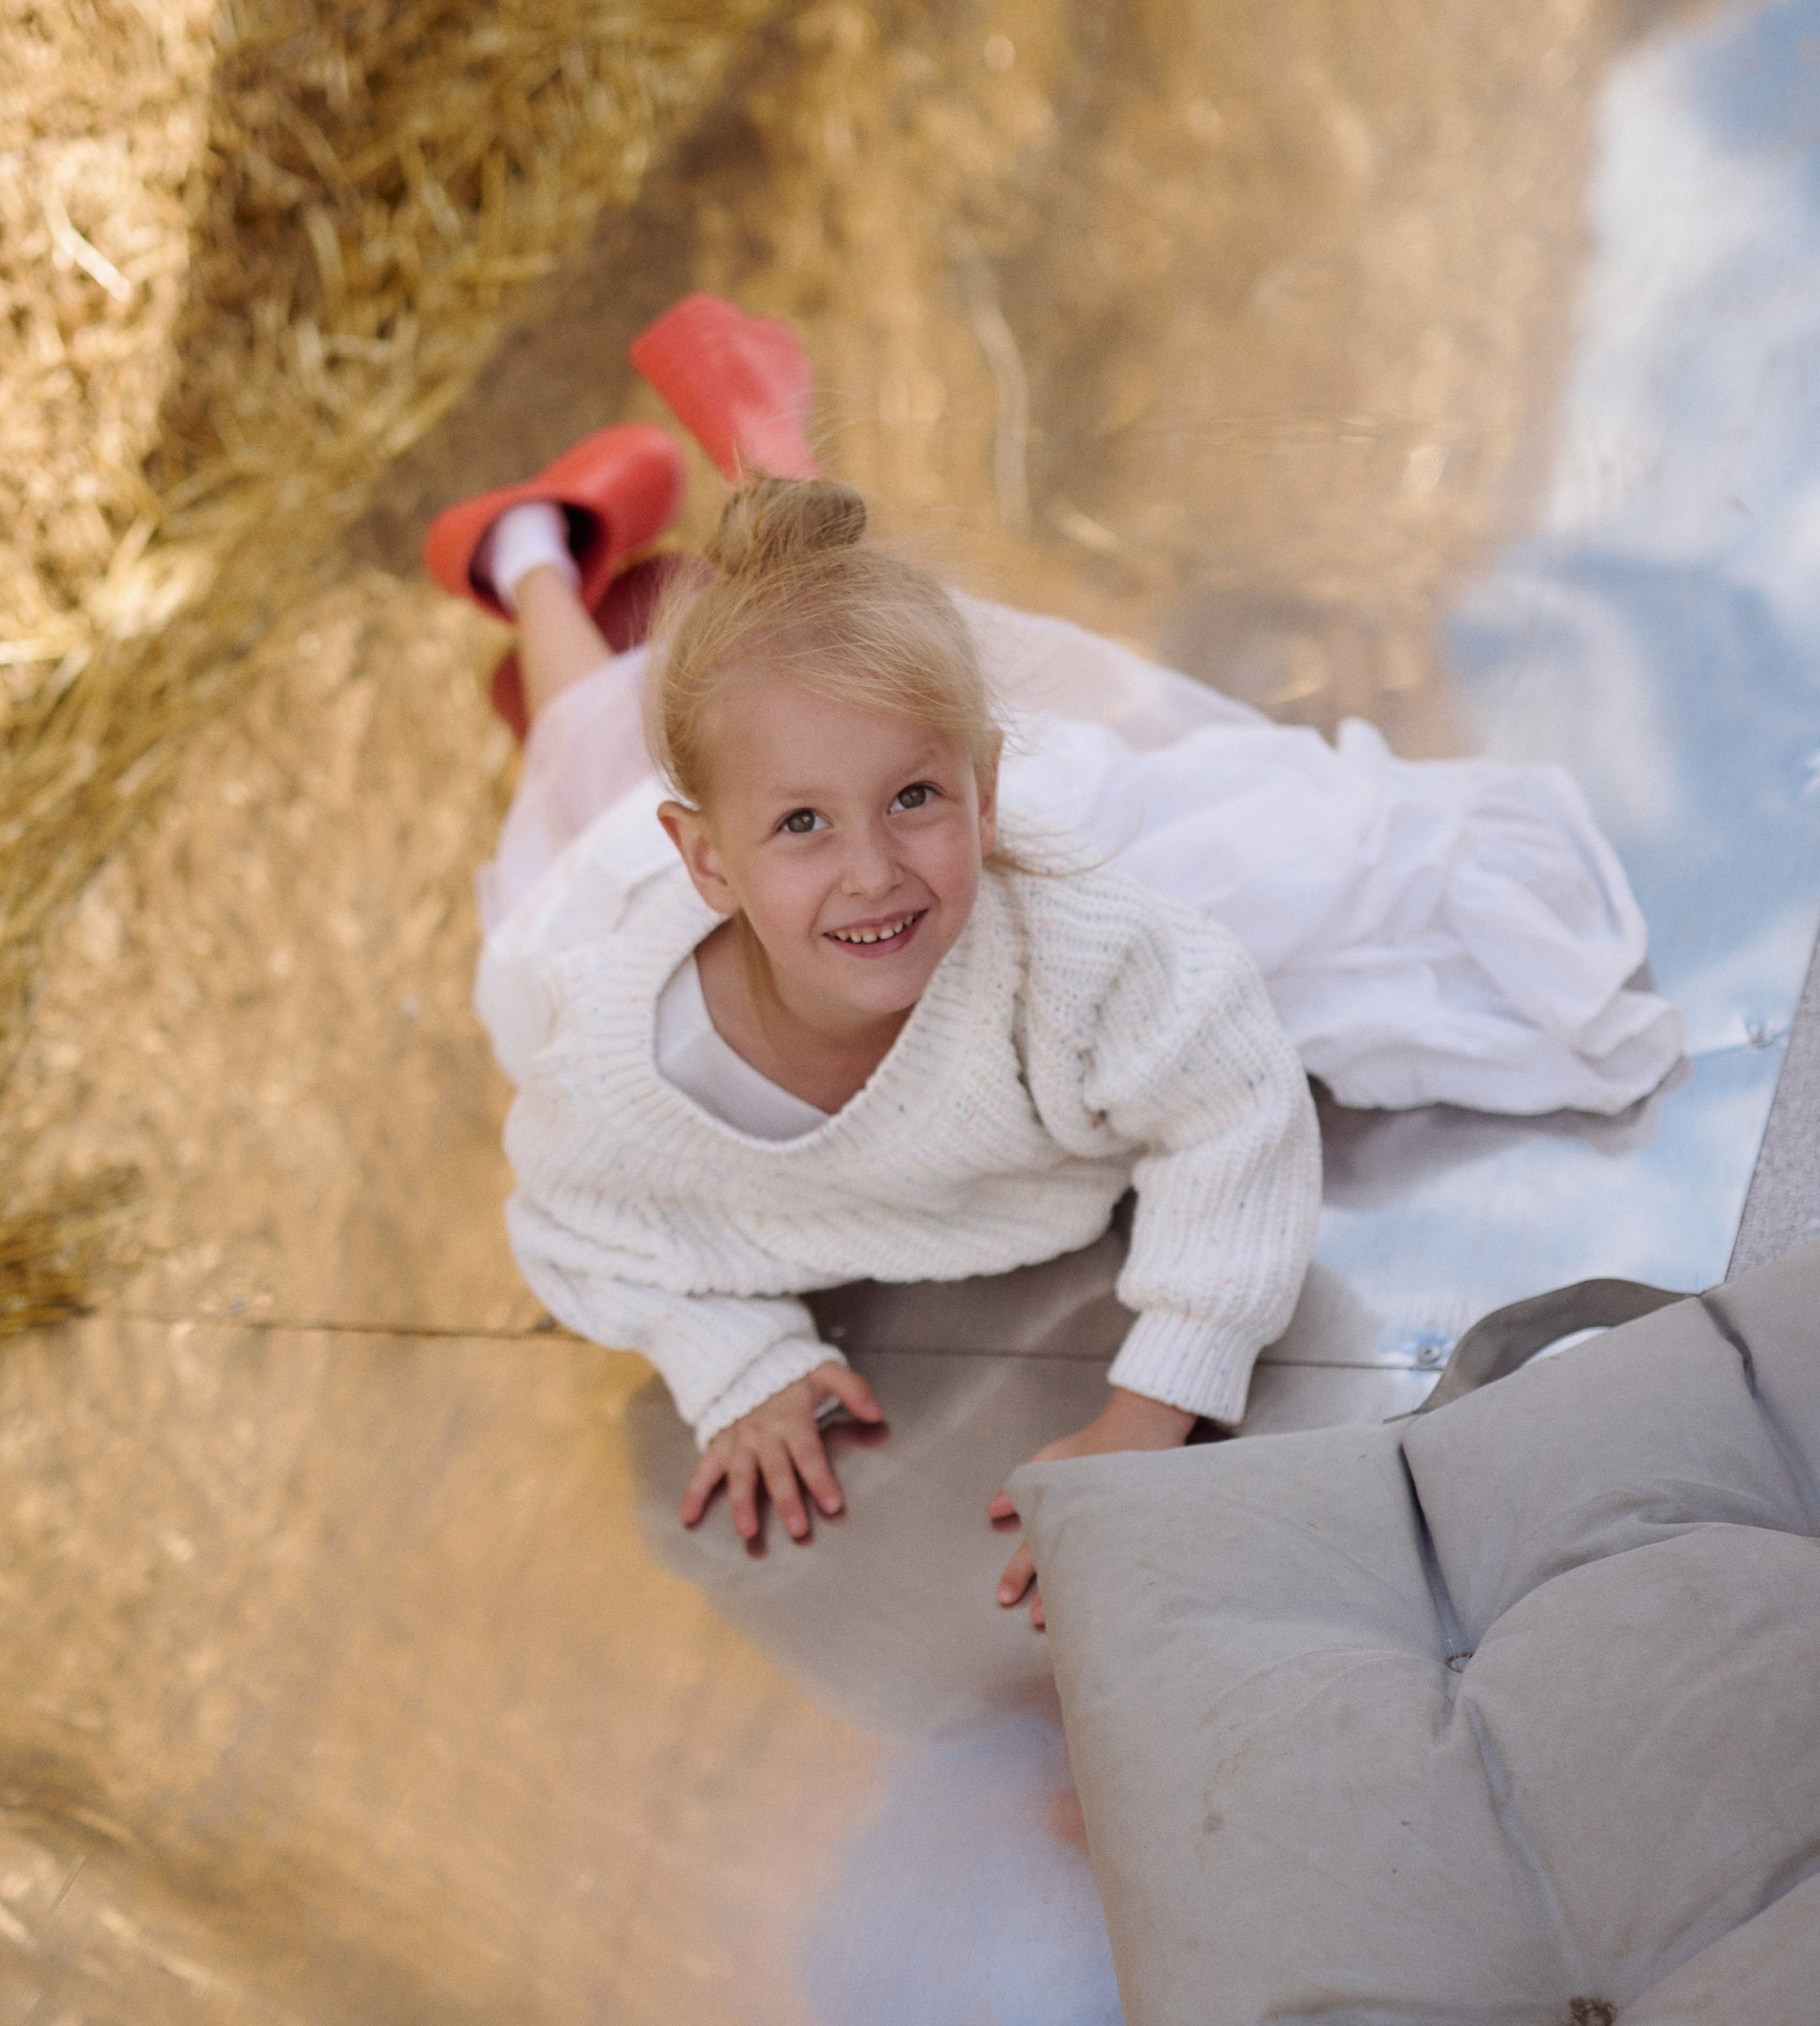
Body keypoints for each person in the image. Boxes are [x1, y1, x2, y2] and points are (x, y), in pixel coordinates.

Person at [426, 298, 1683, 1617]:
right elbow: (583, 1227)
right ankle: (536, 555)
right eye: (803, 827)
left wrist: (1160, 1397)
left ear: (984, 794)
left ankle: (765, 475)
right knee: (584, 755)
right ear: (709, 866)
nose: (874, 871)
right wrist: (731, 1357)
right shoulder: (615, 1063)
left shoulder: (1071, 952)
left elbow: (1236, 1110)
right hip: (617, 884)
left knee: (845, 667)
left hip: (840, 809)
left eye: (918, 800)